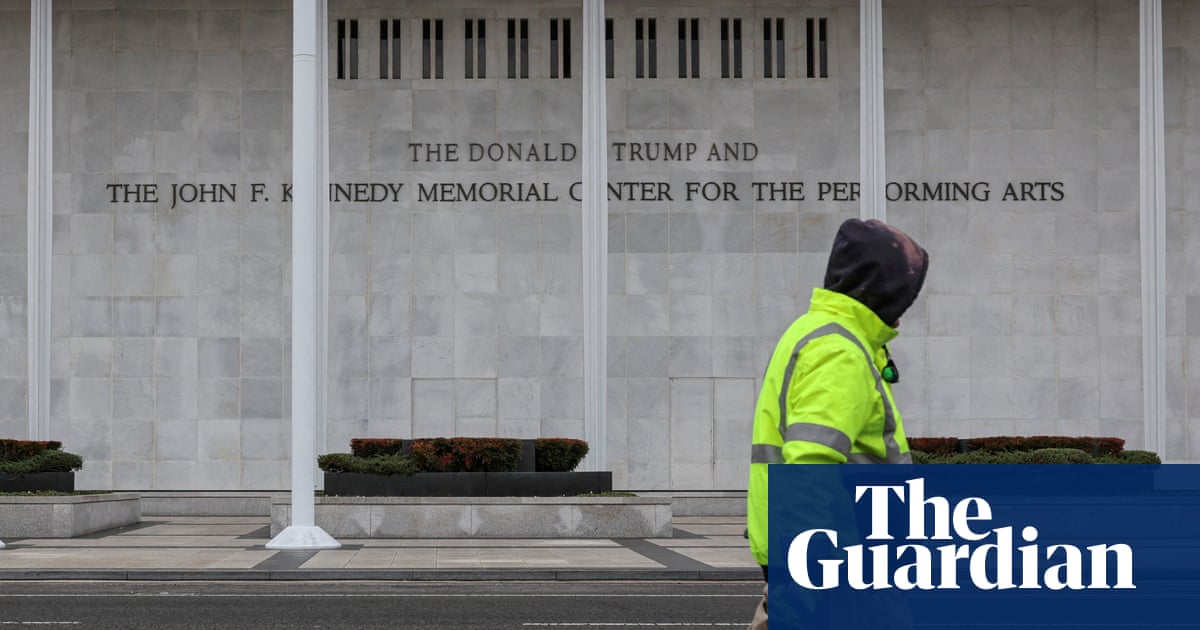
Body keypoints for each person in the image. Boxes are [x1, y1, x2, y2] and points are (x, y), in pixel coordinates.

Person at [745, 218, 929, 630]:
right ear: (883, 289)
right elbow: (810, 467)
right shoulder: (839, 351)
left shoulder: (816, 332)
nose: (905, 309)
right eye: (905, 294)